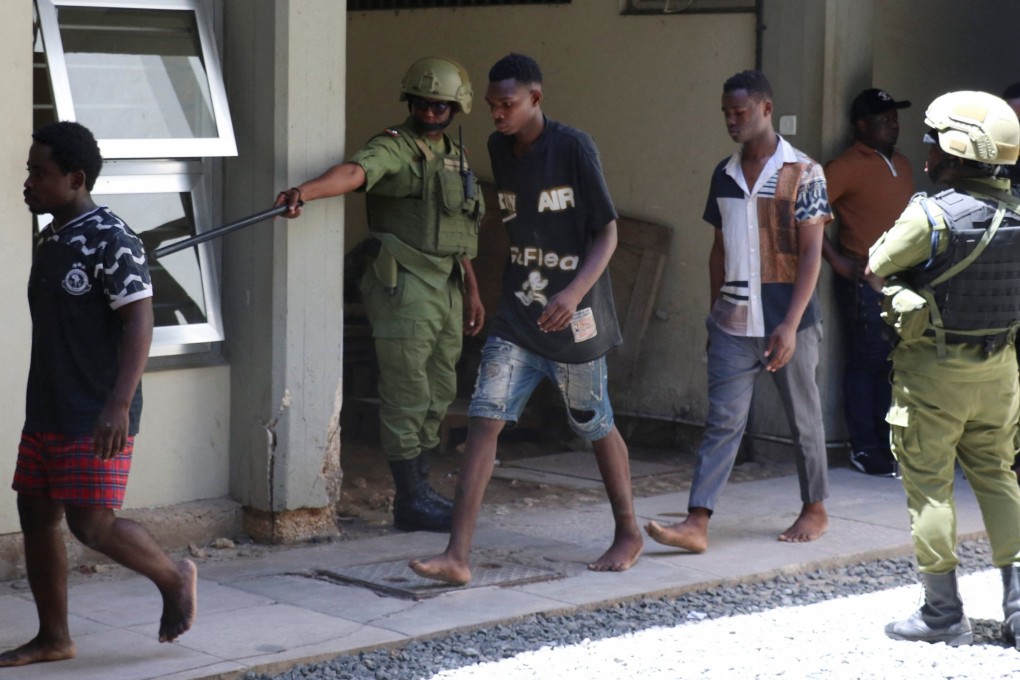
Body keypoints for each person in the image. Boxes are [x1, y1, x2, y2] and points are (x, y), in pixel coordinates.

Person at [408, 52, 643, 585]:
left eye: (507, 104)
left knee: (595, 423)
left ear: (536, 98)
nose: (497, 115)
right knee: (486, 419)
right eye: (491, 106)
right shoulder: (498, 148)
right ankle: (458, 556)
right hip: (518, 314)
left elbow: (608, 232)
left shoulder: (574, 146)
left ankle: (628, 531)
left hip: (575, 319)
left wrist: (574, 293)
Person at [0, 122, 197, 668]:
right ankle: (54, 638)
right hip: (48, 405)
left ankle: (173, 575)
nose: (29, 181)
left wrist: (117, 405)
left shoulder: (112, 238)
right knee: (36, 512)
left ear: (76, 177)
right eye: (28, 170)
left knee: (91, 523)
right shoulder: (53, 235)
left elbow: (139, 322)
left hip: (96, 409)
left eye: (39, 172)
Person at [276, 58, 486, 532]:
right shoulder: (394, 147)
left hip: (448, 285)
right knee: (407, 392)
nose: (430, 113)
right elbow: (354, 173)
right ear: (409, 102)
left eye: (440, 105)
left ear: (456, 107)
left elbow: (457, 231)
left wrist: (472, 291)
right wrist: (304, 192)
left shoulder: (455, 154)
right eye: (421, 103)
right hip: (406, 284)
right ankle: (410, 499)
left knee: (439, 392)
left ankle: (421, 492)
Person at [644, 70, 831, 554]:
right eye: (726, 112)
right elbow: (718, 250)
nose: (731, 119)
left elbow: (812, 253)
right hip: (732, 322)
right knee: (723, 422)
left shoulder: (804, 171)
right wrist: (712, 315)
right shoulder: (722, 174)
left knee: (803, 418)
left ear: (766, 109)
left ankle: (815, 508)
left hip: (787, 319)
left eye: (740, 112)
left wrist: (790, 324)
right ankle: (697, 521)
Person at [866, 91, 1020, 648]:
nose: (925, 149)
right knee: (1000, 479)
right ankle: (1019, 609)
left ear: (951, 153)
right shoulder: (1019, 213)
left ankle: (941, 614)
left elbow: (877, 264)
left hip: (934, 374)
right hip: (1000, 373)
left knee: (930, 489)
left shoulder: (931, 214)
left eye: (932, 140)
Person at [823, 89, 915, 477]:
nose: (893, 123)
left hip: (905, 281)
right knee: (866, 362)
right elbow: (804, 215)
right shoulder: (845, 166)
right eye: (884, 118)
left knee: (893, 365)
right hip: (864, 279)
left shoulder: (903, 163)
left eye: (895, 117)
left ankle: (887, 442)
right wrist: (837, 261)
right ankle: (864, 447)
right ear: (862, 125)